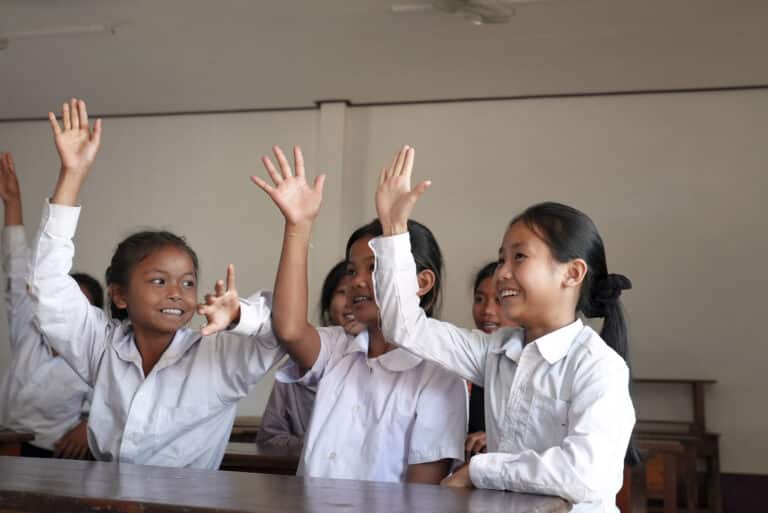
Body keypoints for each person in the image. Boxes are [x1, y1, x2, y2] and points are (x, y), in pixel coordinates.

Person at [371, 145, 635, 512]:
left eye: (519, 257)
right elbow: (404, 327)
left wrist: (480, 470)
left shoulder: (597, 366)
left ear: (572, 273)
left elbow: (586, 474)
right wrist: (394, 231)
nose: (502, 273)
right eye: (501, 259)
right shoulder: (495, 351)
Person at [29, 99, 285, 469]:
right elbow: (47, 284)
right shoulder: (101, 347)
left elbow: (283, 328)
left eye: (188, 283)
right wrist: (72, 175)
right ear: (119, 295)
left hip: (187, 500)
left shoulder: (217, 356)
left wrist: (238, 316)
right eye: (159, 280)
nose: (176, 293)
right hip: (105, 496)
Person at [250, 145, 466, 483]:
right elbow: (289, 329)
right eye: (351, 270)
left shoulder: (439, 373)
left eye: (374, 267)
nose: (357, 281)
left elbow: (422, 493)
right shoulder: (339, 347)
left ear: (422, 283)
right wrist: (298, 226)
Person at [0, 151, 99, 459]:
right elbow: (16, 267)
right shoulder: (29, 329)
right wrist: (12, 202)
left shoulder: (94, 354)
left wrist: (88, 426)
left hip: (52, 452)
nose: (64, 314)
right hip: (6, 441)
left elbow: (119, 398)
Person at [255, 261, 363, 452]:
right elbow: (269, 436)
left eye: (359, 294)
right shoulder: (297, 363)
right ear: (327, 304)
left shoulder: (384, 359)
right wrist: (315, 449)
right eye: (342, 292)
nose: (350, 301)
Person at [465, 261, 517, 460]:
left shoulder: (529, 366)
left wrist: (496, 441)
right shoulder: (465, 362)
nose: (487, 310)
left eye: (499, 300)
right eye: (479, 299)